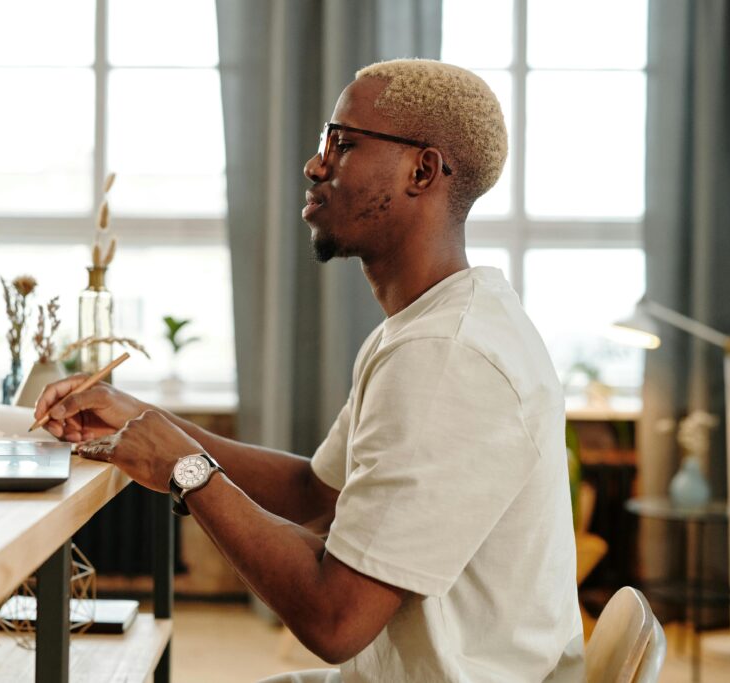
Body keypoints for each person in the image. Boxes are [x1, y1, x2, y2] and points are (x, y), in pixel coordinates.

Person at [34, 59, 584, 682]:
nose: (315, 164)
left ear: (422, 170)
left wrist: (186, 472)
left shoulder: (447, 356)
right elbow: (314, 496)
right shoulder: (425, 328)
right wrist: (146, 419)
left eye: (342, 144)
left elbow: (335, 620)